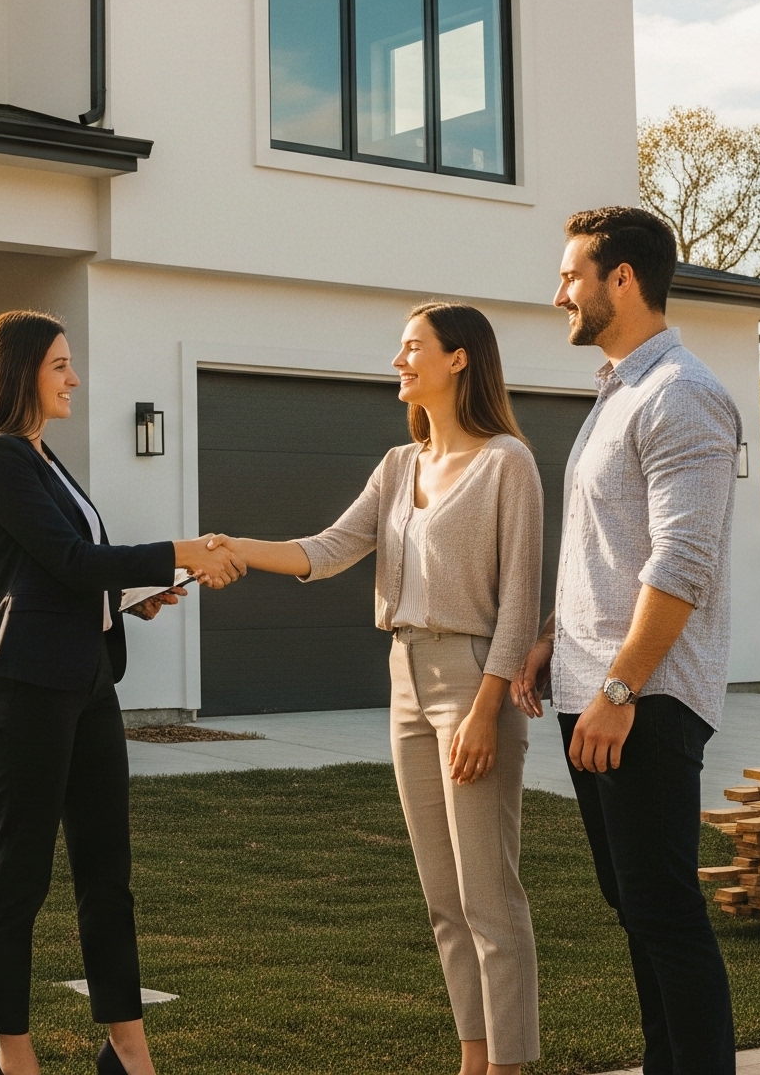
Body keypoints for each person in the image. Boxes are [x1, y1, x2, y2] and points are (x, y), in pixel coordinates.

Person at [211, 302, 544, 1075]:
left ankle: (510, 1066)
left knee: (489, 897)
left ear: (459, 359)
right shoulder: (398, 466)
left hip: (473, 680)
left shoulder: (507, 464)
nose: (399, 362)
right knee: (442, 896)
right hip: (405, 676)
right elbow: (324, 551)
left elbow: (522, 602)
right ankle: (472, 1058)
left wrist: (487, 710)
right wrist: (227, 547)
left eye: (411, 348)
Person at [0, 310, 243, 1075]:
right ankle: (15, 1055)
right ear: (19, 374)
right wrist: (180, 549)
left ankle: (128, 1049)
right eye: (60, 365)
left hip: (86, 683)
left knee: (108, 873)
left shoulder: (42, 457)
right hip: (26, 690)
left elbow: (70, 575)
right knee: (22, 878)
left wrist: (137, 594)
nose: (74, 378)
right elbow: (73, 562)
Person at [514, 206, 738, 1075]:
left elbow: (683, 563)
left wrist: (618, 692)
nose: (558, 292)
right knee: (635, 905)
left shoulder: (682, 394)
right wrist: (550, 637)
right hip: (596, 691)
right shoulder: (621, 392)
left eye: (571, 275)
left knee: (664, 910)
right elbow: (610, 552)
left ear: (622, 279)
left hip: (643, 699)